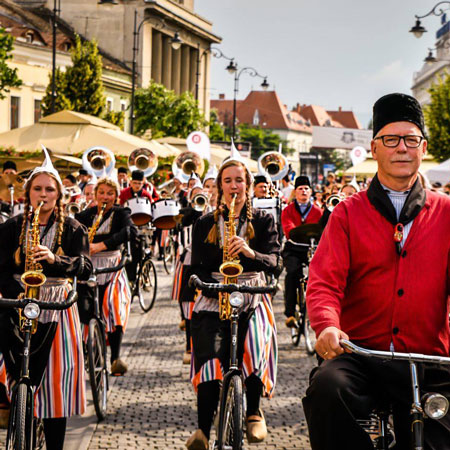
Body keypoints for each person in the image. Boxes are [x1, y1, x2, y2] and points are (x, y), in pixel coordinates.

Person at [303, 93, 450, 449]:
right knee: (326, 390)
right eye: (391, 139)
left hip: (429, 359)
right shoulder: (347, 214)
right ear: (374, 148)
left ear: (423, 147)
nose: (402, 148)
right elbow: (324, 282)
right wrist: (327, 325)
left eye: (410, 140)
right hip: (361, 355)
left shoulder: (446, 212)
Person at [0, 148, 92, 449]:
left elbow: (85, 266)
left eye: (49, 189)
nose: (43, 194)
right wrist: (15, 293)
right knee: (16, 371)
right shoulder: (12, 227)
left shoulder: (75, 228)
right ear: (28, 193)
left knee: (56, 382)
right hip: (18, 304)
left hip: (57, 306)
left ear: (58, 195)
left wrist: (54, 259)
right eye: (37, 189)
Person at [186, 158, 280, 449]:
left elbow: (275, 262)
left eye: (239, 180)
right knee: (210, 360)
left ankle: (253, 412)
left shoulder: (263, 221)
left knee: (253, 345)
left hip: (251, 292)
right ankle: (202, 429)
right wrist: (210, 288)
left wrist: (251, 253)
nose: (233, 186)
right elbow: (196, 268)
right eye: (227, 181)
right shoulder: (204, 222)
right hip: (215, 294)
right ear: (219, 186)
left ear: (248, 186)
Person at [76, 178, 136, 376]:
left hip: (112, 266)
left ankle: (115, 358)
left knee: (113, 307)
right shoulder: (83, 215)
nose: (105, 197)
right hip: (88, 267)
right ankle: (94, 352)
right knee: (86, 311)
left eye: (110, 193)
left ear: (116, 196)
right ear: (95, 194)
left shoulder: (121, 213)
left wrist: (102, 245)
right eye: (101, 192)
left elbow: (130, 231)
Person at [280, 176, 322, 327]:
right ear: (295, 192)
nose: (303, 191)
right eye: (300, 189)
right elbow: (288, 228)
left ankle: (318, 312)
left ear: (311, 192)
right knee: (292, 274)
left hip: (313, 249)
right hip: (294, 248)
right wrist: (298, 232)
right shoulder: (288, 210)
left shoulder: (318, 211)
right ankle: (290, 313)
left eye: (306, 188)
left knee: (320, 277)